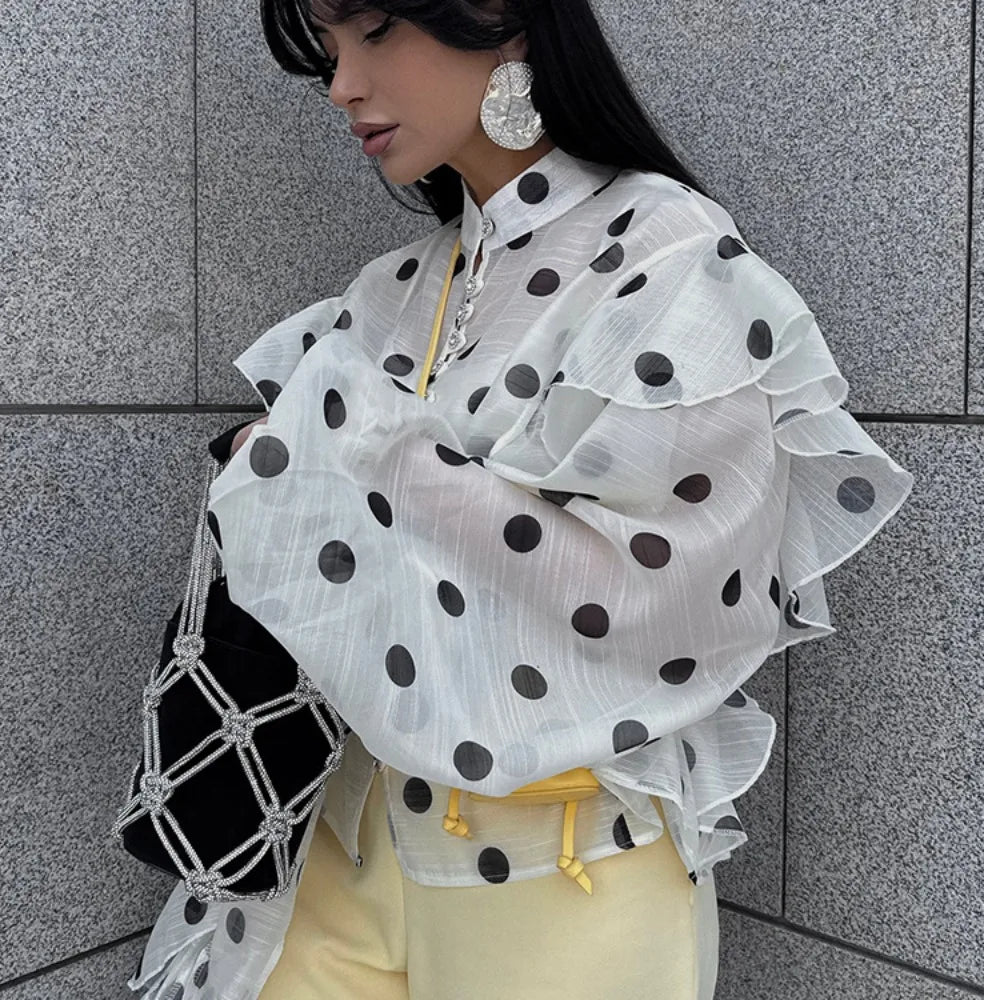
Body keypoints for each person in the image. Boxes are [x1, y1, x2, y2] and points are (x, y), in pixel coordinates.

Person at [128, 1, 914, 998]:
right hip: (334, 845)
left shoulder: (668, 257)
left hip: (564, 878)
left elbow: (667, 607)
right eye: (328, 51)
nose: (342, 86)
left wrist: (358, 447)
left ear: (502, 19)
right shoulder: (400, 288)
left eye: (373, 32)